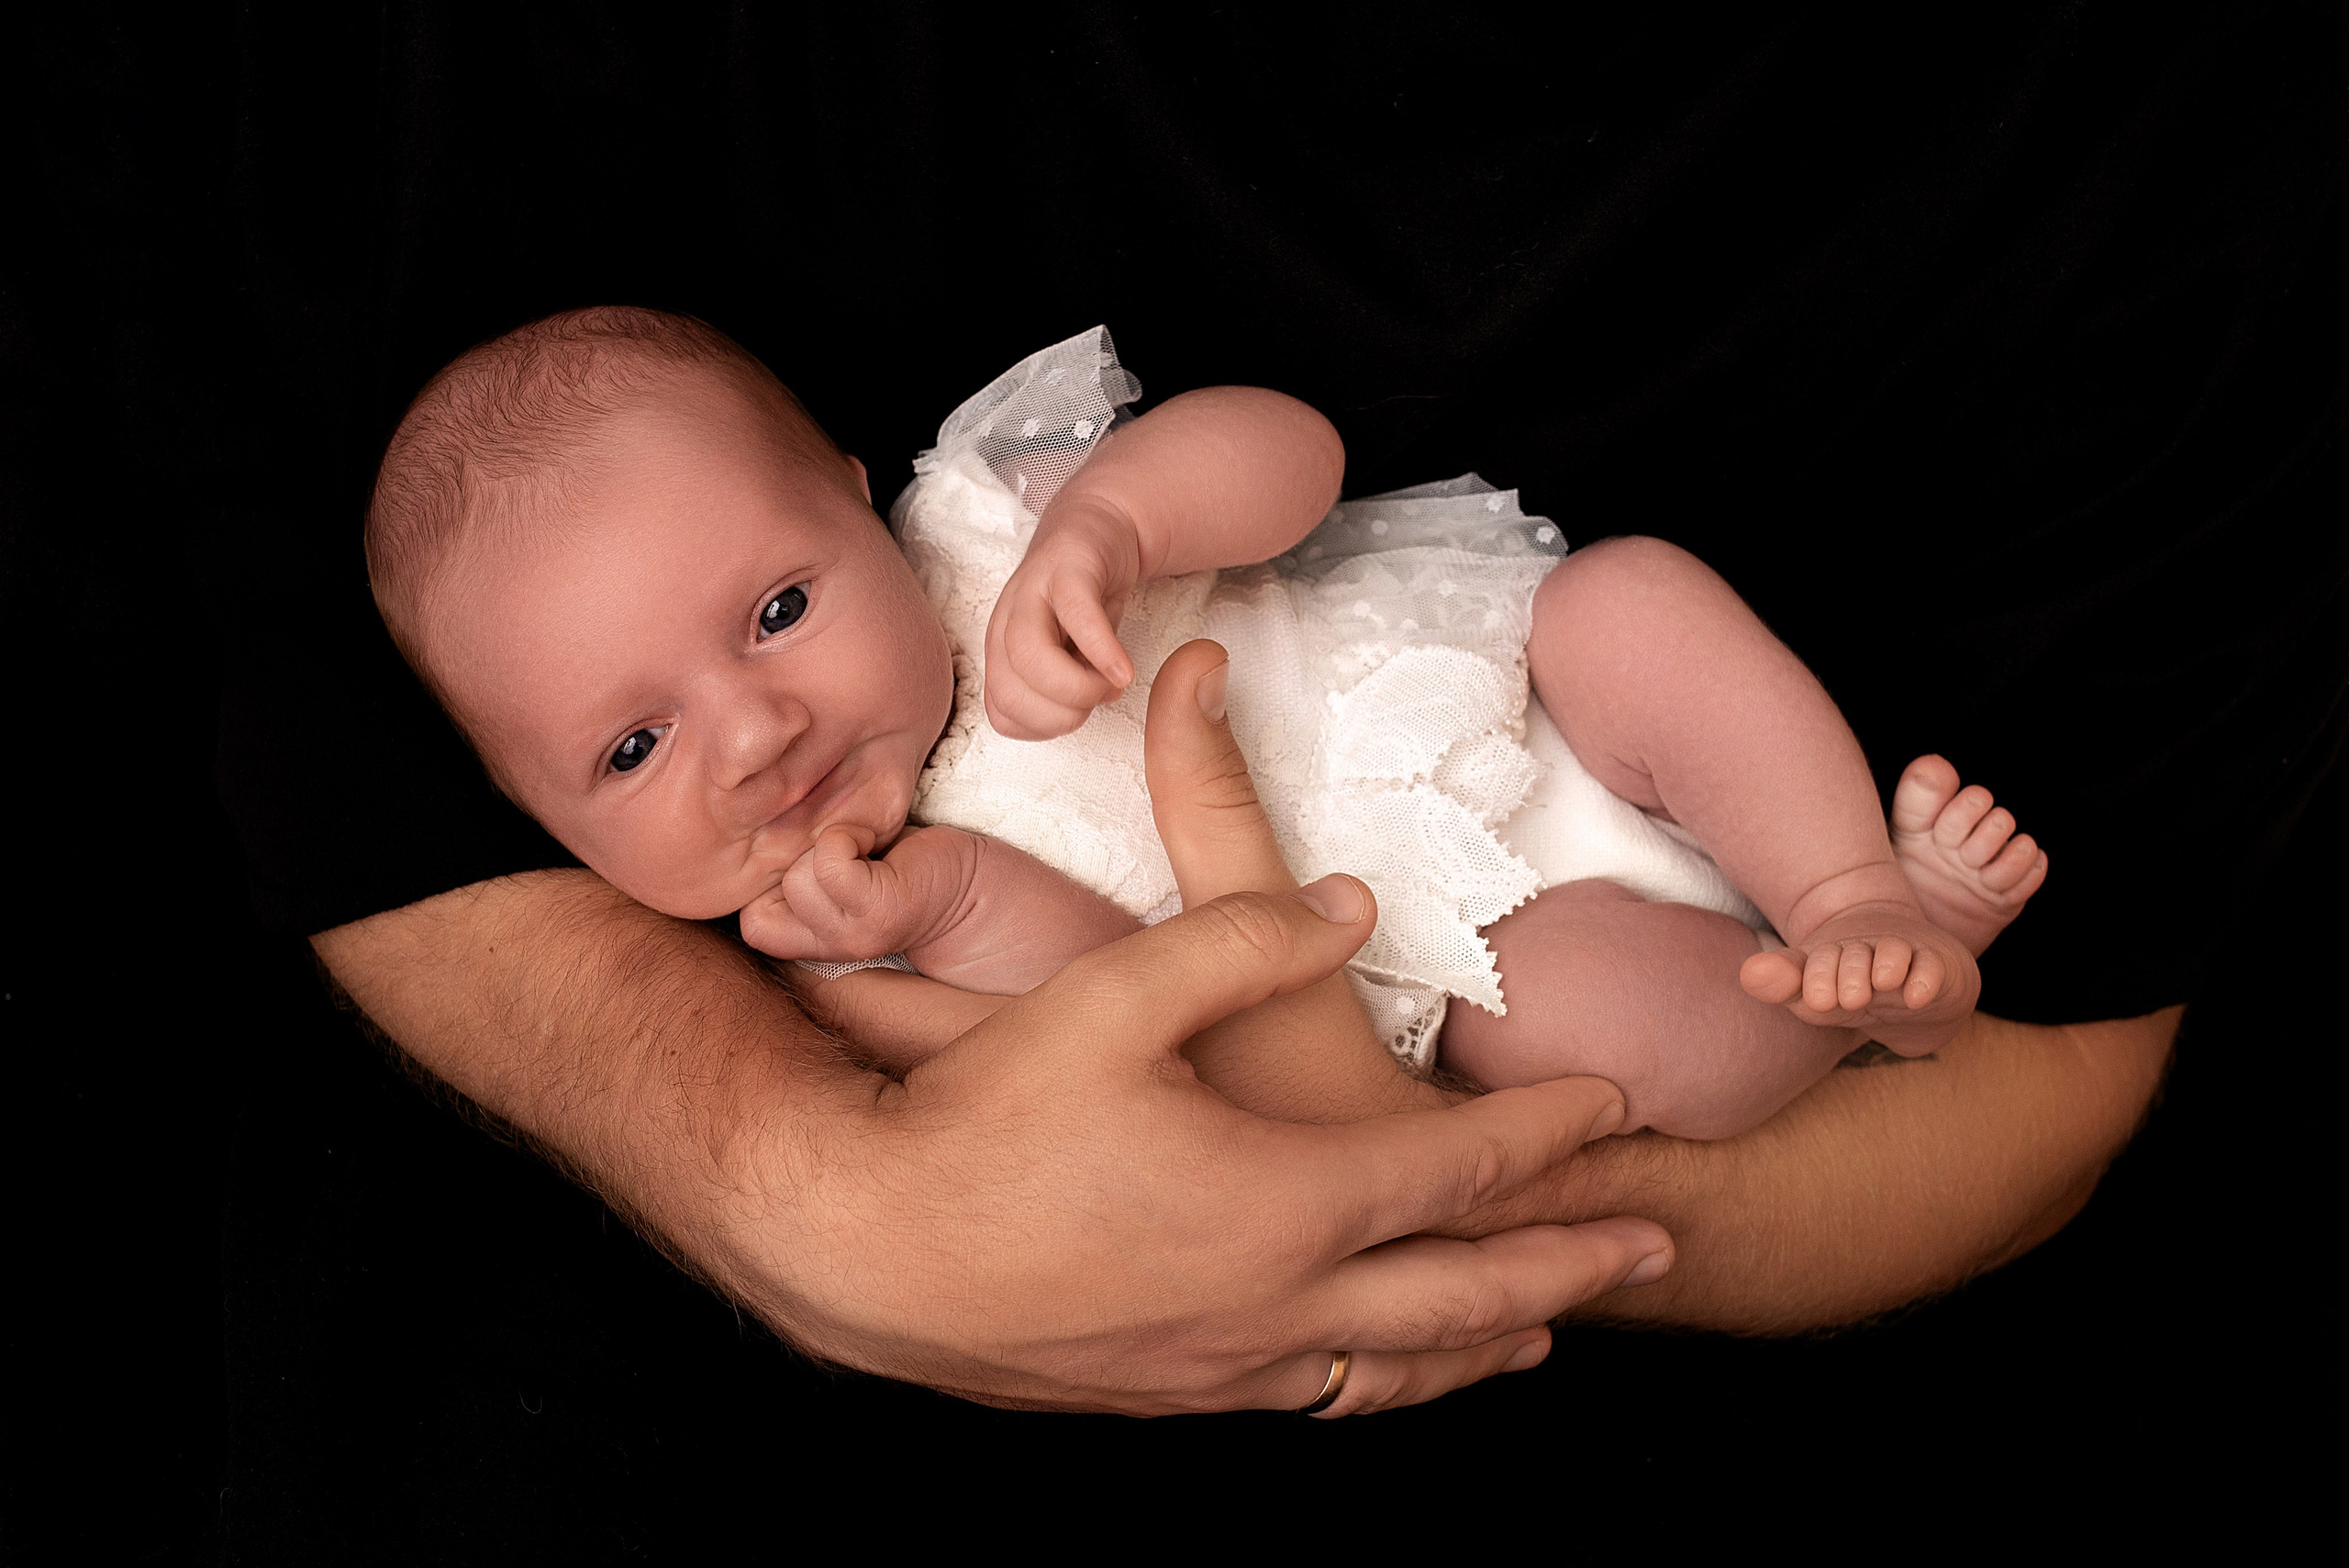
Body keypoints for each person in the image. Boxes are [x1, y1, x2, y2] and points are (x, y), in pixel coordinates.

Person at [363, 307, 2048, 1140]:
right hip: (1464, 948)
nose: (750, 736)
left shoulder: (991, 518)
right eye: (633, 751)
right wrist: (945, 902)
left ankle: (1847, 885)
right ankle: (1866, 1011)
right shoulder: (841, 954)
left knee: (1629, 602)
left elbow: (1296, 450)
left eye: (779, 610)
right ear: (543, 828)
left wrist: (1116, 522)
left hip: (1514, 696)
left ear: (857, 498)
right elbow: (1143, 1019)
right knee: (1586, 1031)